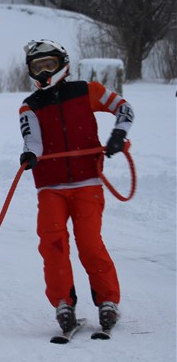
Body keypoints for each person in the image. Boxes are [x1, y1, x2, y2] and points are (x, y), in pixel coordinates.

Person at [18, 39, 134, 335]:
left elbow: (123, 107)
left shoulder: (87, 90)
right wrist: (30, 154)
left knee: (89, 243)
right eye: (38, 67)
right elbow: (32, 139)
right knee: (52, 244)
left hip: (87, 183)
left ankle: (108, 301)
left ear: (63, 64)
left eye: (50, 65)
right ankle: (63, 304)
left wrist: (119, 135)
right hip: (50, 187)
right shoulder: (29, 106)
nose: (44, 72)